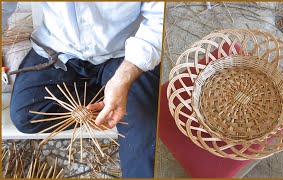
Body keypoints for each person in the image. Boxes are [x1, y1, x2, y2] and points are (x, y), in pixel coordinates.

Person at [2, 2, 163, 178]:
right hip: (58, 48)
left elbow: (159, 18)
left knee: (142, 130)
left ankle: (117, 96)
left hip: (125, 54)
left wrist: (124, 78)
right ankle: (106, 99)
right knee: (26, 115)